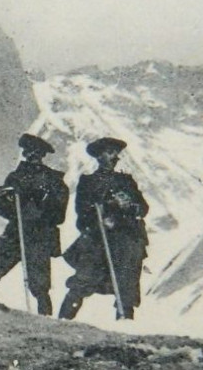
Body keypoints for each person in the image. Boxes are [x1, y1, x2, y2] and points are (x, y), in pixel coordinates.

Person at [0, 133, 69, 315]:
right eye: (29, 152)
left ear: (43, 155)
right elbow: (4, 210)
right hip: (15, 232)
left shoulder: (54, 180)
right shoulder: (15, 177)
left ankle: (46, 321)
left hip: (39, 235)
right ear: (25, 153)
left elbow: (59, 215)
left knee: (40, 284)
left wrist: (42, 201)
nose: (32, 156)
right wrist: (5, 200)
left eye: (37, 152)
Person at [59, 138, 147, 321]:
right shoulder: (88, 182)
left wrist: (130, 205)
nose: (115, 157)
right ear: (99, 156)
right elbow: (82, 215)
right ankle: (62, 322)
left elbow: (143, 208)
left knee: (127, 285)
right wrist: (106, 209)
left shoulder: (127, 181)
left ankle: (125, 325)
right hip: (98, 240)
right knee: (83, 280)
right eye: (110, 152)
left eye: (116, 153)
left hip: (127, 239)